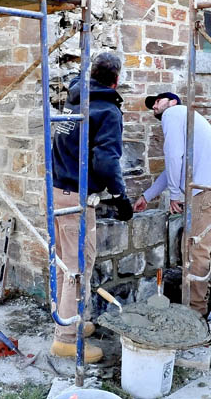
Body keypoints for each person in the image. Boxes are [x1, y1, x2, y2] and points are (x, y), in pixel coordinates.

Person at [50, 52, 132, 363]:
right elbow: (106, 161)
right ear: (116, 80)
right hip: (76, 199)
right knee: (78, 266)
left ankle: (66, 320)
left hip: (58, 191)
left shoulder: (76, 100)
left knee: (63, 264)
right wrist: (121, 196)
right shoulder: (107, 111)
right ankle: (66, 340)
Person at [133, 92, 211, 315]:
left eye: (157, 102)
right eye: (152, 107)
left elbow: (173, 156)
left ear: (172, 102)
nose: (154, 108)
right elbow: (173, 165)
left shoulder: (174, 113)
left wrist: (175, 195)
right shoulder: (187, 119)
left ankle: (194, 311)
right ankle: (205, 294)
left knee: (194, 248)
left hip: (207, 186)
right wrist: (147, 196)